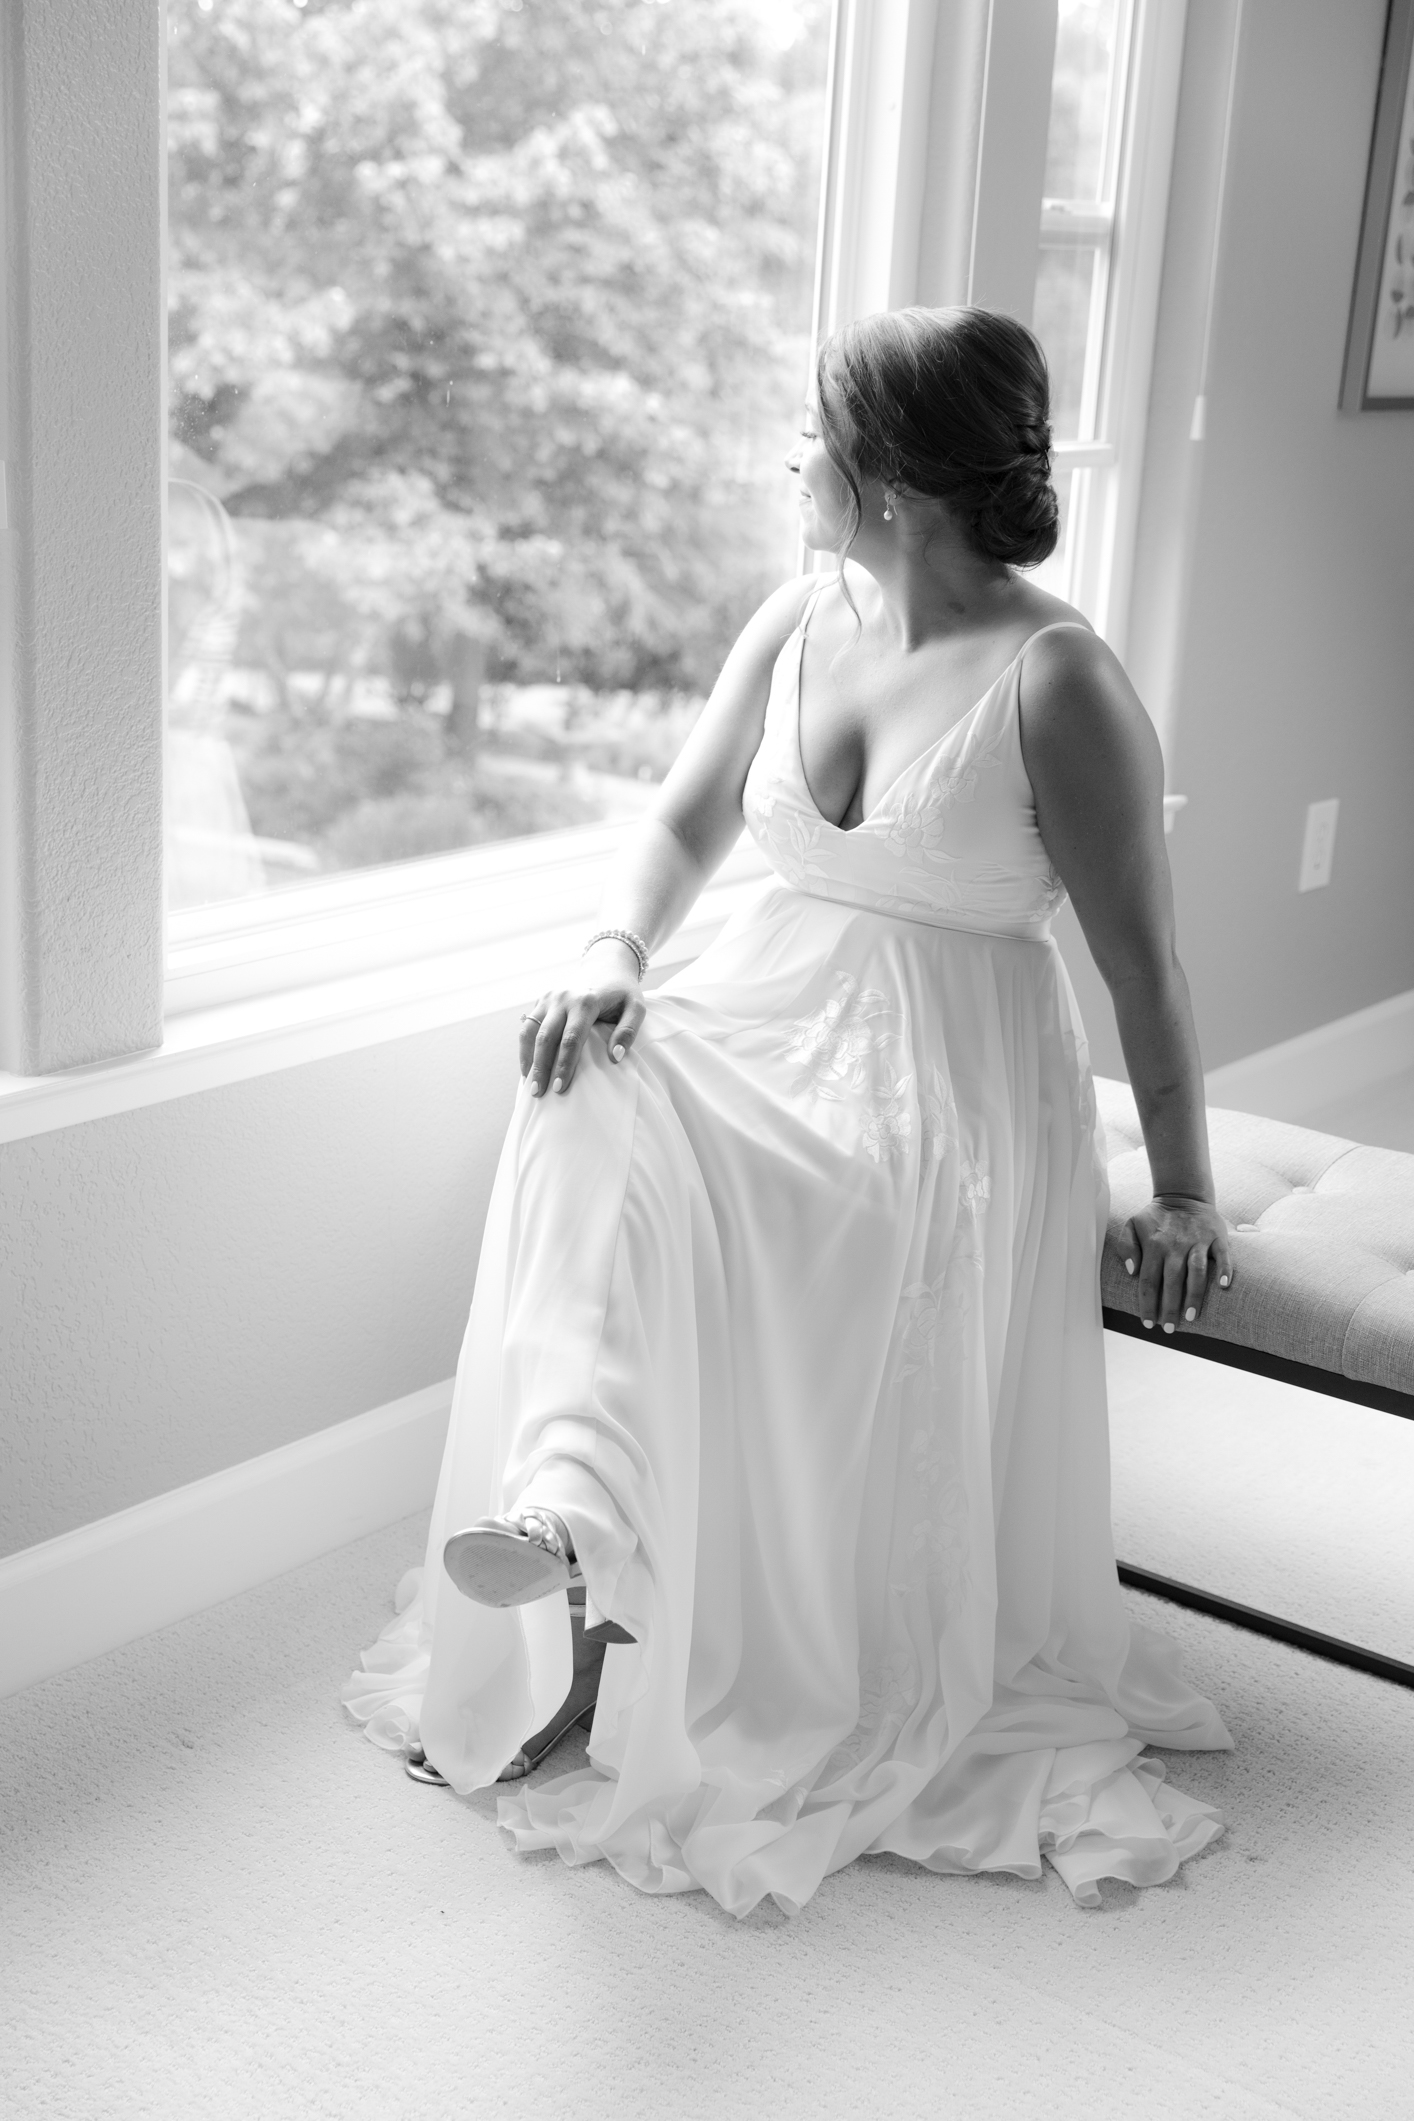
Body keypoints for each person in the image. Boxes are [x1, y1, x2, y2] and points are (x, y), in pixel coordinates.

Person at [343, 305, 1235, 1916]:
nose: (789, 461)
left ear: (889, 482)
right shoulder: (796, 615)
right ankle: (573, 1522)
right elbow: (680, 822)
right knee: (587, 1076)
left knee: (751, 1212)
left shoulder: (1059, 682)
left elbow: (1145, 972)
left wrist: (1178, 1187)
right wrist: (614, 950)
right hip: (773, 1009)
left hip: (950, 1086)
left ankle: (600, 1579)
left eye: (811, 437)